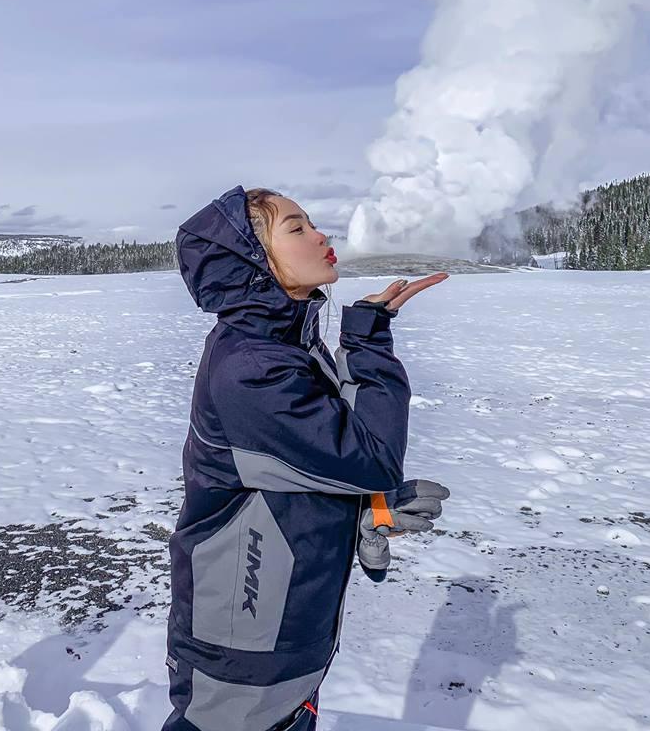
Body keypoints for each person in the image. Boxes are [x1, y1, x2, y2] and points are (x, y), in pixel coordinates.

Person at [161, 183, 450, 731]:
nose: (321, 236)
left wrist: (366, 509)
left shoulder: (284, 344)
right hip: (243, 640)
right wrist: (367, 343)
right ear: (254, 259)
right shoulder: (252, 366)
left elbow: (305, 470)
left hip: (286, 630)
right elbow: (369, 456)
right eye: (297, 228)